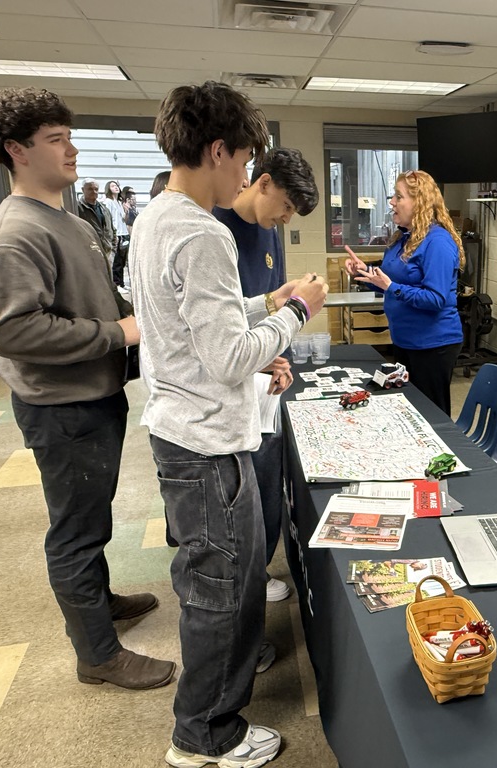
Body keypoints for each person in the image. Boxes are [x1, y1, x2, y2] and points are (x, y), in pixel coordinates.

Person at [129, 80, 328, 768]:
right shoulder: (202, 232)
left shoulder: (156, 216)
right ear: (217, 150)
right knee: (219, 592)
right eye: (244, 160)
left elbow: (192, 328)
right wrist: (297, 310)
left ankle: (219, 688)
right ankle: (204, 735)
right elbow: (226, 358)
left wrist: (261, 302)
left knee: (224, 581)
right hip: (208, 442)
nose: (246, 174)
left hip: (182, 430)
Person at [0, 87, 175, 690]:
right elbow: (13, 331)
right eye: (56, 140)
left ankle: (100, 600)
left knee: (93, 516)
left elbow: (97, 299)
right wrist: (116, 331)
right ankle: (97, 655)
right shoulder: (12, 233)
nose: (72, 150)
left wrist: (142, 320)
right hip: (62, 408)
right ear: (16, 150)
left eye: (69, 136)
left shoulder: (69, 219)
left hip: (95, 394)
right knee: (76, 529)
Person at [213, 147, 319, 605]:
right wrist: (259, 358)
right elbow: (217, 330)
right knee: (243, 493)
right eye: (287, 207)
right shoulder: (216, 231)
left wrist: (281, 355)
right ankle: (245, 578)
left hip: (268, 375)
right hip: (233, 382)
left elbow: (268, 303)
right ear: (264, 182)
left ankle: (260, 567)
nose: (286, 219)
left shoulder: (269, 229)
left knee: (269, 483)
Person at [343, 169, 464, 414]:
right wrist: (363, 271)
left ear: (419, 202)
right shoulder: (404, 238)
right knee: (407, 409)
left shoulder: (437, 242)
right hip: (405, 341)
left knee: (431, 413)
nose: (392, 202)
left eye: (399, 197)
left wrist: (391, 288)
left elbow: (436, 299)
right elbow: (390, 280)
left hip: (432, 345)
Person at [77, 177, 116, 274]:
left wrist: (113, 247)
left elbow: (111, 228)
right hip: (90, 253)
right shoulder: (78, 208)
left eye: (96, 189)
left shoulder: (103, 208)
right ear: (83, 190)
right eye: (90, 189)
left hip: (107, 251)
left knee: (108, 280)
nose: (94, 191)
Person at [102, 179, 129, 286]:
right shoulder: (108, 202)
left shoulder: (119, 202)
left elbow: (123, 219)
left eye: (117, 185)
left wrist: (126, 211)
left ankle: (121, 283)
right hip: (116, 234)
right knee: (116, 261)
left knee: (122, 261)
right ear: (108, 188)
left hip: (124, 232)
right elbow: (108, 218)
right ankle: (117, 284)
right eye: (113, 186)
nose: (116, 187)